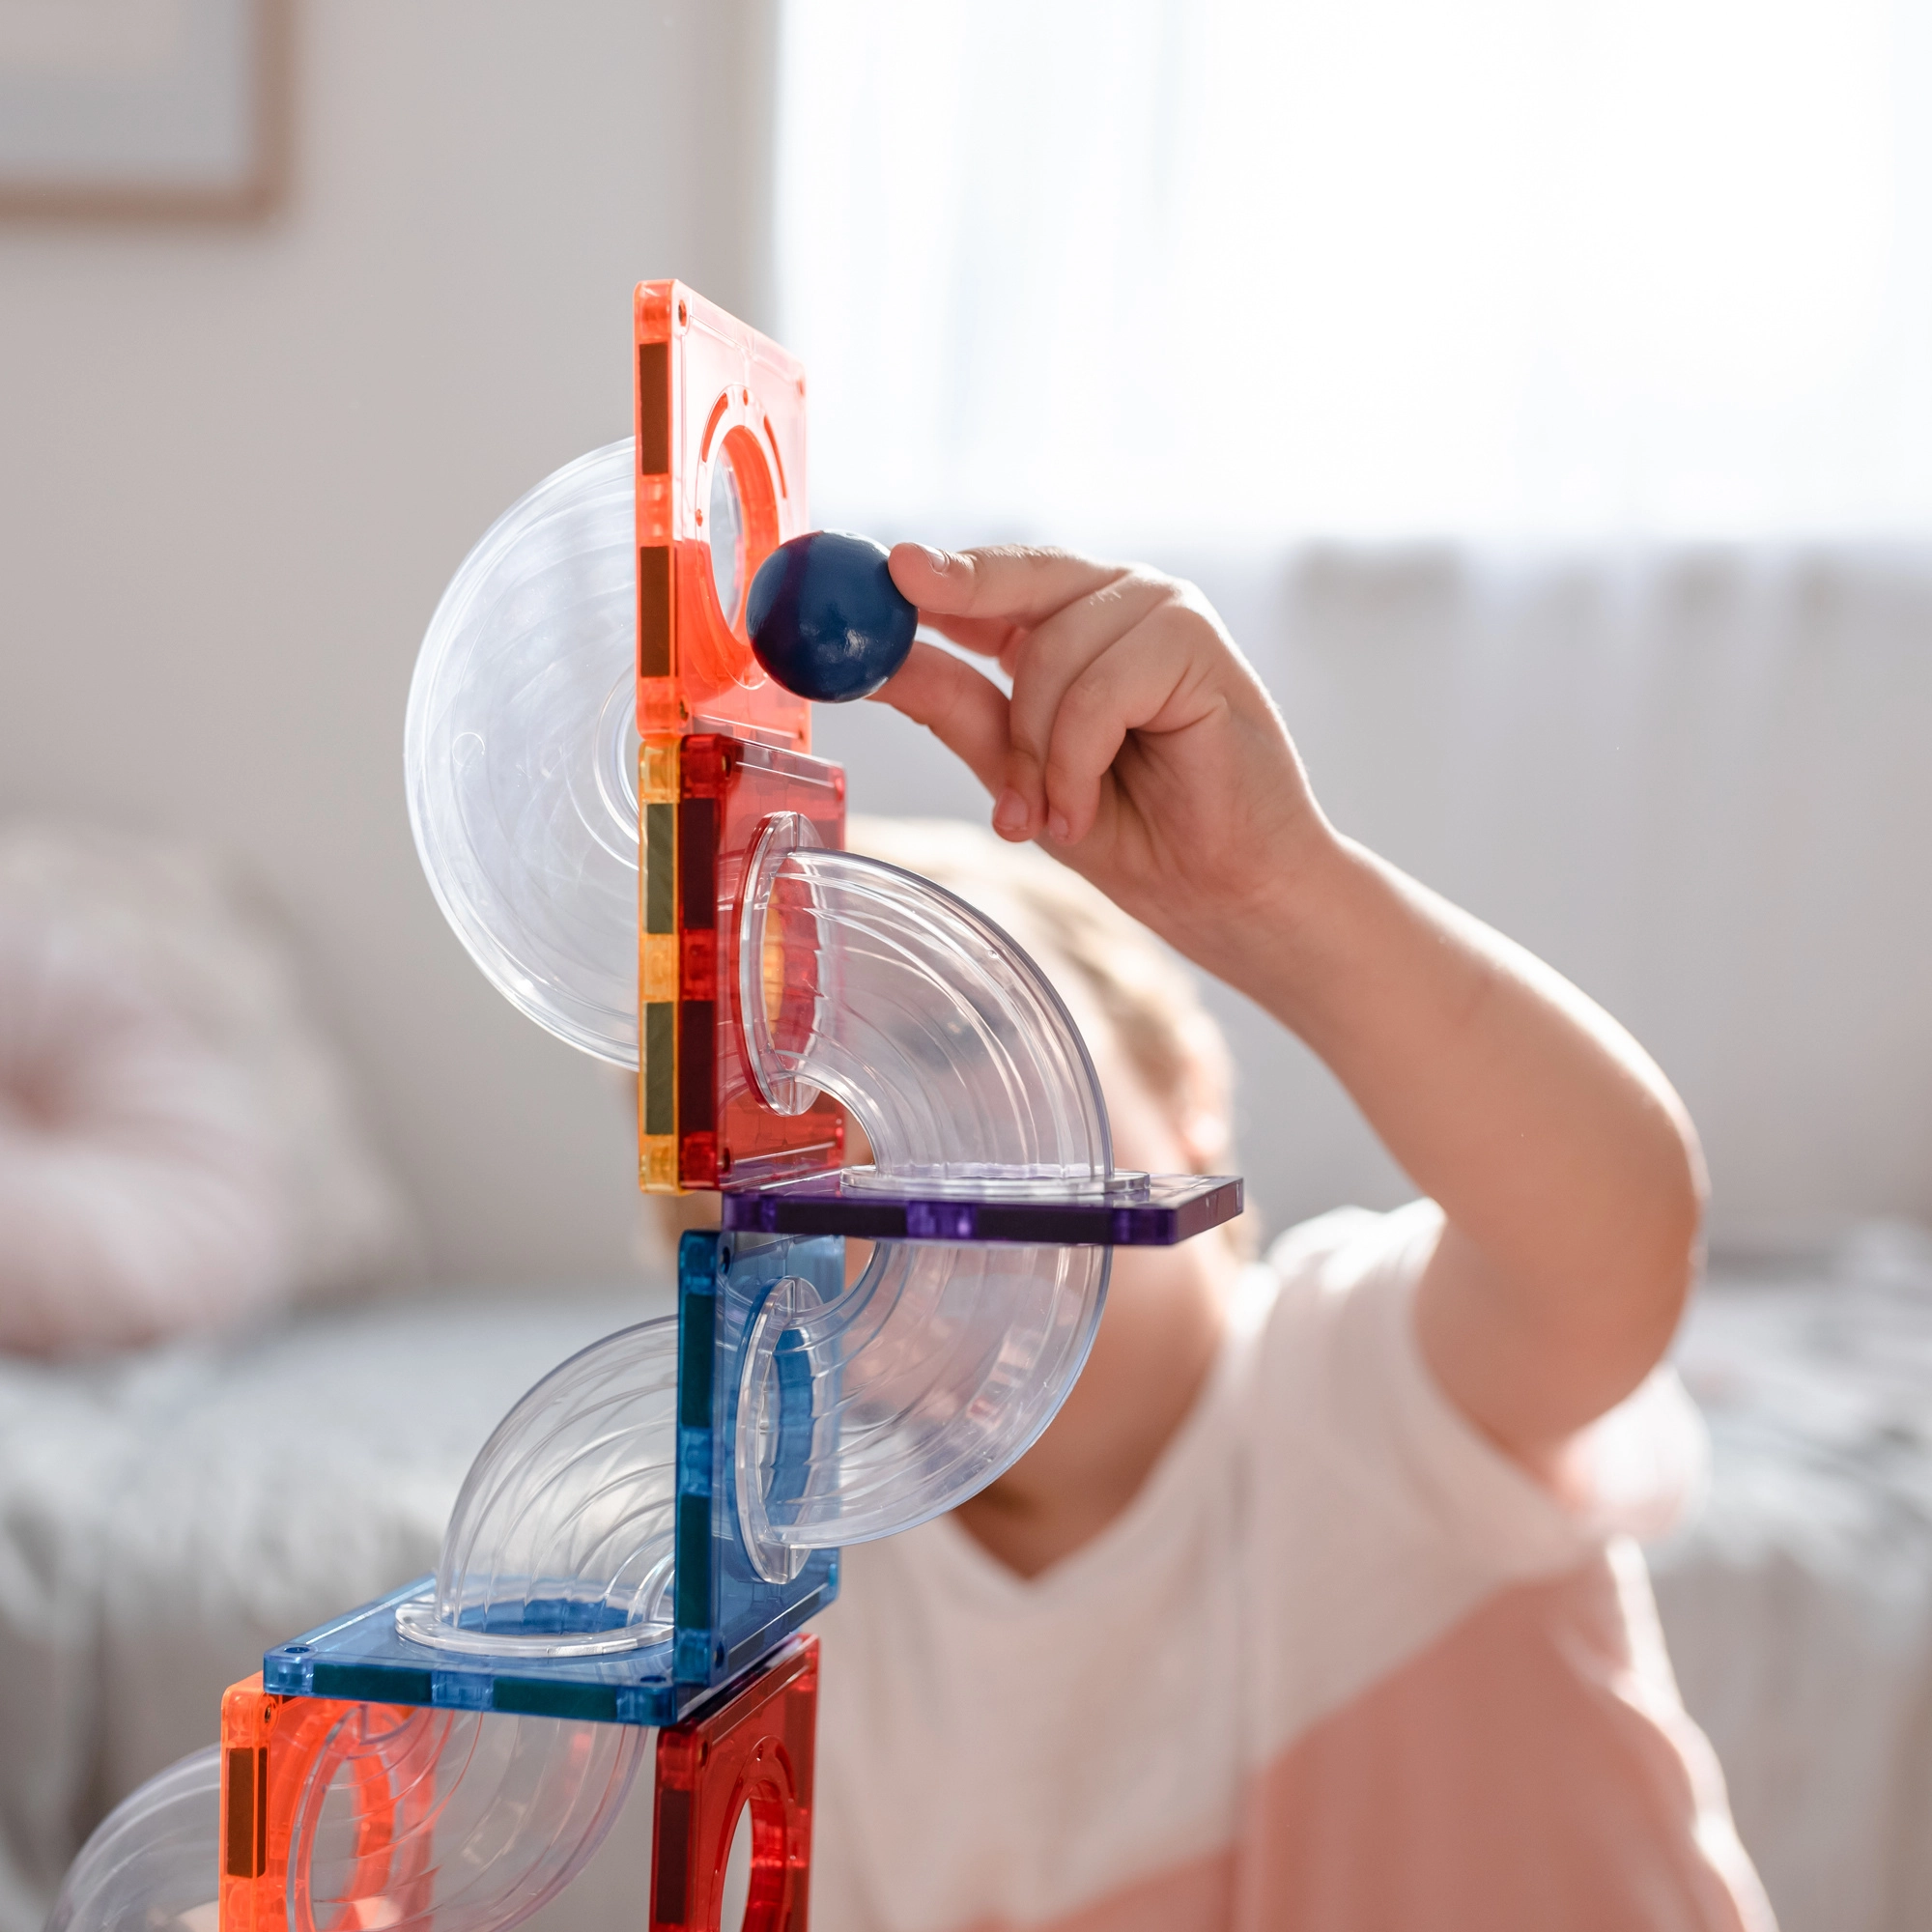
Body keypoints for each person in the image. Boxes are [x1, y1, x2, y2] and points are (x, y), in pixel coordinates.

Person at [802, 546, 1774, 1929]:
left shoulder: (1358, 1381)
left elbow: (1612, 1243)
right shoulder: (835, 1642)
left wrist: (1276, 895)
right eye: (798, 1156)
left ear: (1186, 1090)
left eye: (964, 1044)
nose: (898, 1161)